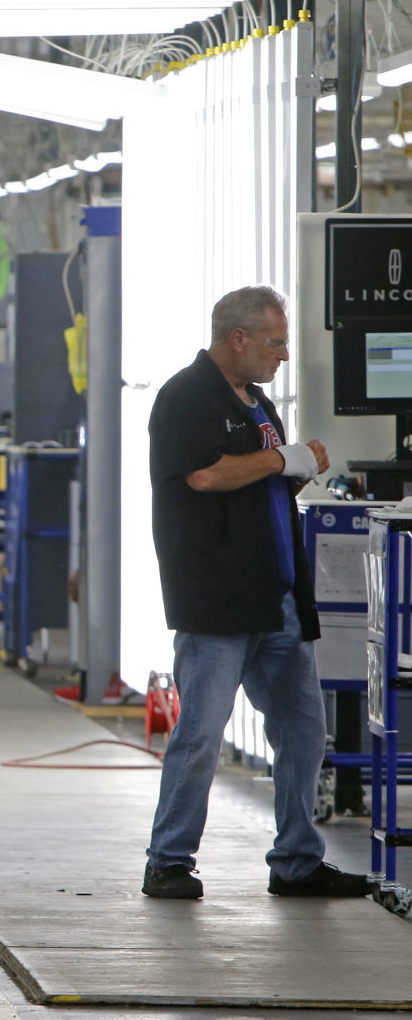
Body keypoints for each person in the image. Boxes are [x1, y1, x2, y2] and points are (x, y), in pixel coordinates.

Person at [143, 285, 369, 900]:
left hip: (278, 602)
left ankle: (296, 860)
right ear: (236, 338)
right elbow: (205, 474)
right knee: (202, 736)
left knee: (301, 731)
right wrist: (279, 460)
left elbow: (261, 492)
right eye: (274, 342)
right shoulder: (184, 397)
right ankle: (168, 860)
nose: (283, 355)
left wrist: (294, 469)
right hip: (217, 604)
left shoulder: (259, 403)